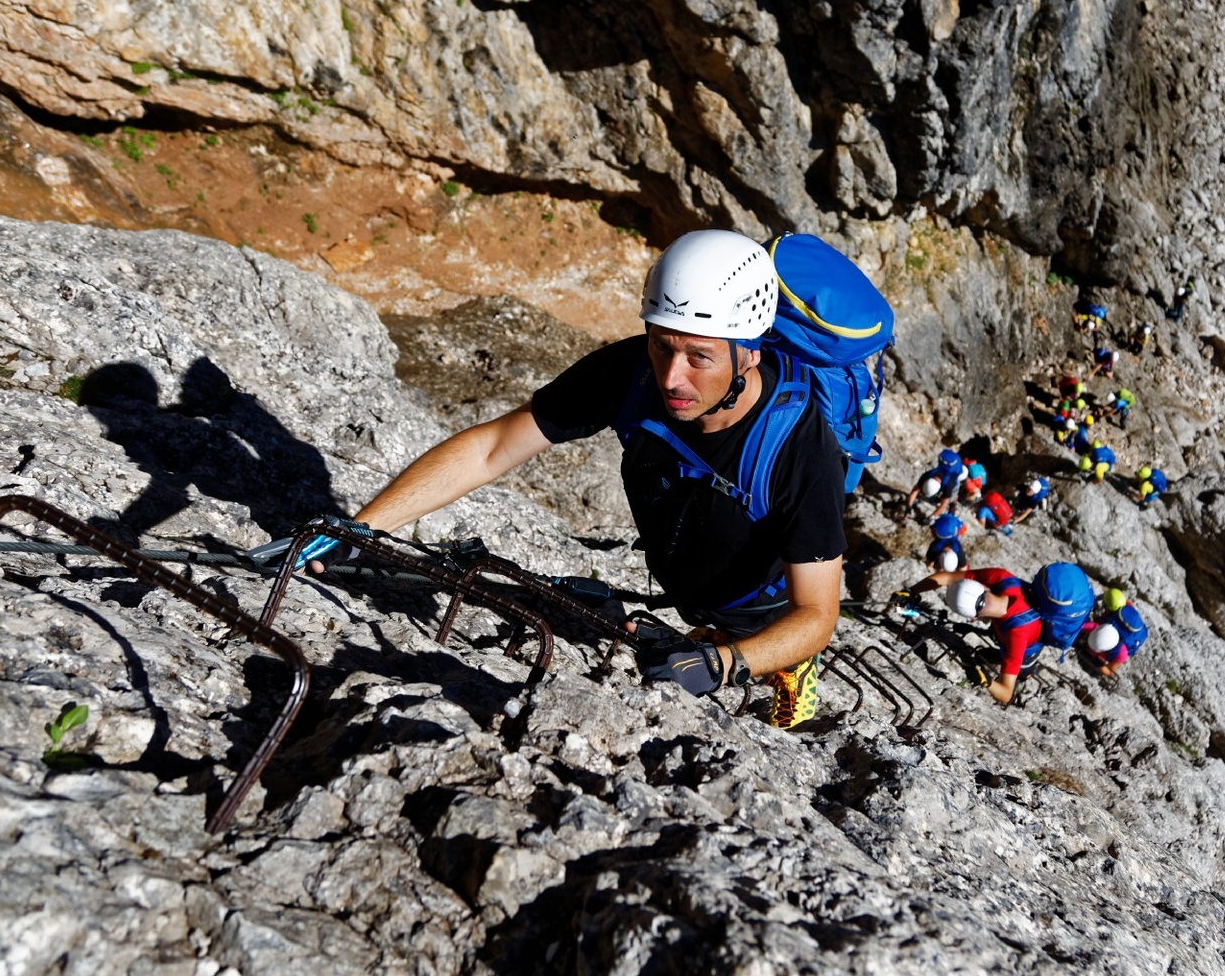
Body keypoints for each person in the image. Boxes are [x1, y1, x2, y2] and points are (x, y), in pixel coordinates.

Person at [303, 230, 846, 729]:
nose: (671, 377)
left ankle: (785, 663)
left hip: (762, 604)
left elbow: (817, 613)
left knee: (765, 637)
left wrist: (725, 662)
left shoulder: (799, 444)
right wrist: (360, 529)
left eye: (699, 357)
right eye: (662, 344)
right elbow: (491, 449)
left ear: (749, 351)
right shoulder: (631, 372)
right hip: (685, 570)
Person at [905, 567, 1042, 705]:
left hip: (1026, 651)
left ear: (973, 617)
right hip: (1012, 629)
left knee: (1020, 670)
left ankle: (1025, 676)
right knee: (986, 652)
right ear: (982, 587)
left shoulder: (1017, 637)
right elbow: (947, 577)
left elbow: (1006, 694)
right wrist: (911, 591)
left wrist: (987, 682)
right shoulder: (1001, 577)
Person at [1081, 588, 1149, 678]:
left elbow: (1110, 672)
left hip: (1123, 640)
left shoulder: (1122, 652)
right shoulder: (1100, 628)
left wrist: (1100, 665)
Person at [906, 447, 966, 514]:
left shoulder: (949, 485)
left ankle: (953, 506)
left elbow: (944, 504)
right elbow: (914, 491)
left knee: (952, 497)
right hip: (944, 472)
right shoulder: (927, 475)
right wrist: (908, 506)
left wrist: (932, 516)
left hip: (953, 478)